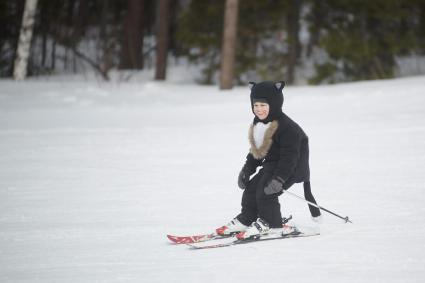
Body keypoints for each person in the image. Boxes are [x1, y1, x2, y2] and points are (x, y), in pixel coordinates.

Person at [216, 81, 322, 240]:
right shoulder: (259, 122)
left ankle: (272, 224)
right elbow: (257, 150)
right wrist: (247, 170)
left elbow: (290, 157)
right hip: (272, 164)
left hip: (292, 168)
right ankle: (247, 219)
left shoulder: (287, 127)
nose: (258, 109)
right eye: (255, 104)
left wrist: (279, 179)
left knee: (266, 191)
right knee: (251, 189)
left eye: (263, 105)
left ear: (274, 103)